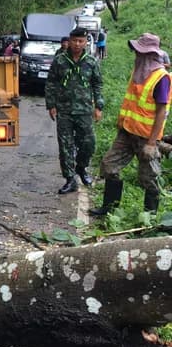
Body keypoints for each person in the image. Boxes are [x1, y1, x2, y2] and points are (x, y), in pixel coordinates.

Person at [91, 33, 171, 216]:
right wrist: (121, 123)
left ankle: (149, 218)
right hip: (127, 132)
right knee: (109, 165)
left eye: (140, 52)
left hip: (146, 137)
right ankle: (109, 209)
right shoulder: (138, 72)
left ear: (150, 54)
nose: (136, 54)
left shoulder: (161, 78)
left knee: (149, 178)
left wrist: (152, 143)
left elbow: (161, 112)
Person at [45, 27, 104, 195]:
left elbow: (97, 84)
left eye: (80, 41)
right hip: (64, 111)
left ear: (85, 42)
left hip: (84, 110)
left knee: (88, 144)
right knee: (65, 146)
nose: (77, 44)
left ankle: (81, 168)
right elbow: (51, 83)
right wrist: (51, 105)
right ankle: (70, 179)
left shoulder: (91, 62)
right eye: (74, 41)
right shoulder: (60, 61)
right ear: (69, 41)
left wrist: (98, 106)